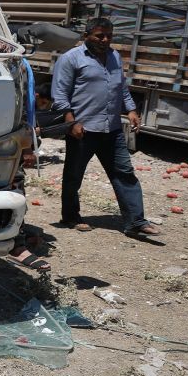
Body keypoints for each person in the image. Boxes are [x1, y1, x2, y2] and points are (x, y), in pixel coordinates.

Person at [51, 17, 158, 238]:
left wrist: (130, 109)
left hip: (112, 128)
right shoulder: (70, 59)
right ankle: (70, 216)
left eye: (109, 36)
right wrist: (71, 123)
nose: (105, 40)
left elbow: (122, 87)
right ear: (86, 36)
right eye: (100, 36)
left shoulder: (114, 56)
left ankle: (136, 221)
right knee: (74, 175)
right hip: (83, 129)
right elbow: (60, 95)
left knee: (124, 173)